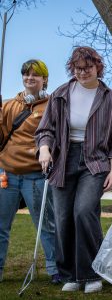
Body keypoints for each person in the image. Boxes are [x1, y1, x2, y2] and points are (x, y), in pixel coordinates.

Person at [36, 47, 112, 294]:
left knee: (84, 212)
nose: (83, 73)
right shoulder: (61, 93)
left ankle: (91, 273)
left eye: (87, 68)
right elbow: (45, 129)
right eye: (77, 69)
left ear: (98, 66)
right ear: (72, 69)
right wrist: (44, 149)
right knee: (63, 218)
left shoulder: (110, 98)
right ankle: (71, 275)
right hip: (63, 159)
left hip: (94, 162)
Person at [0, 59, 60, 284]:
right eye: (26, 74)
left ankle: (55, 269)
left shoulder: (52, 105)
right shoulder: (9, 106)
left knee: (46, 225)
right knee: (0, 226)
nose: (29, 78)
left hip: (36, 174)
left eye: (35, 75)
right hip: (7, 173)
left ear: (44, 79)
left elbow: (54, 136)